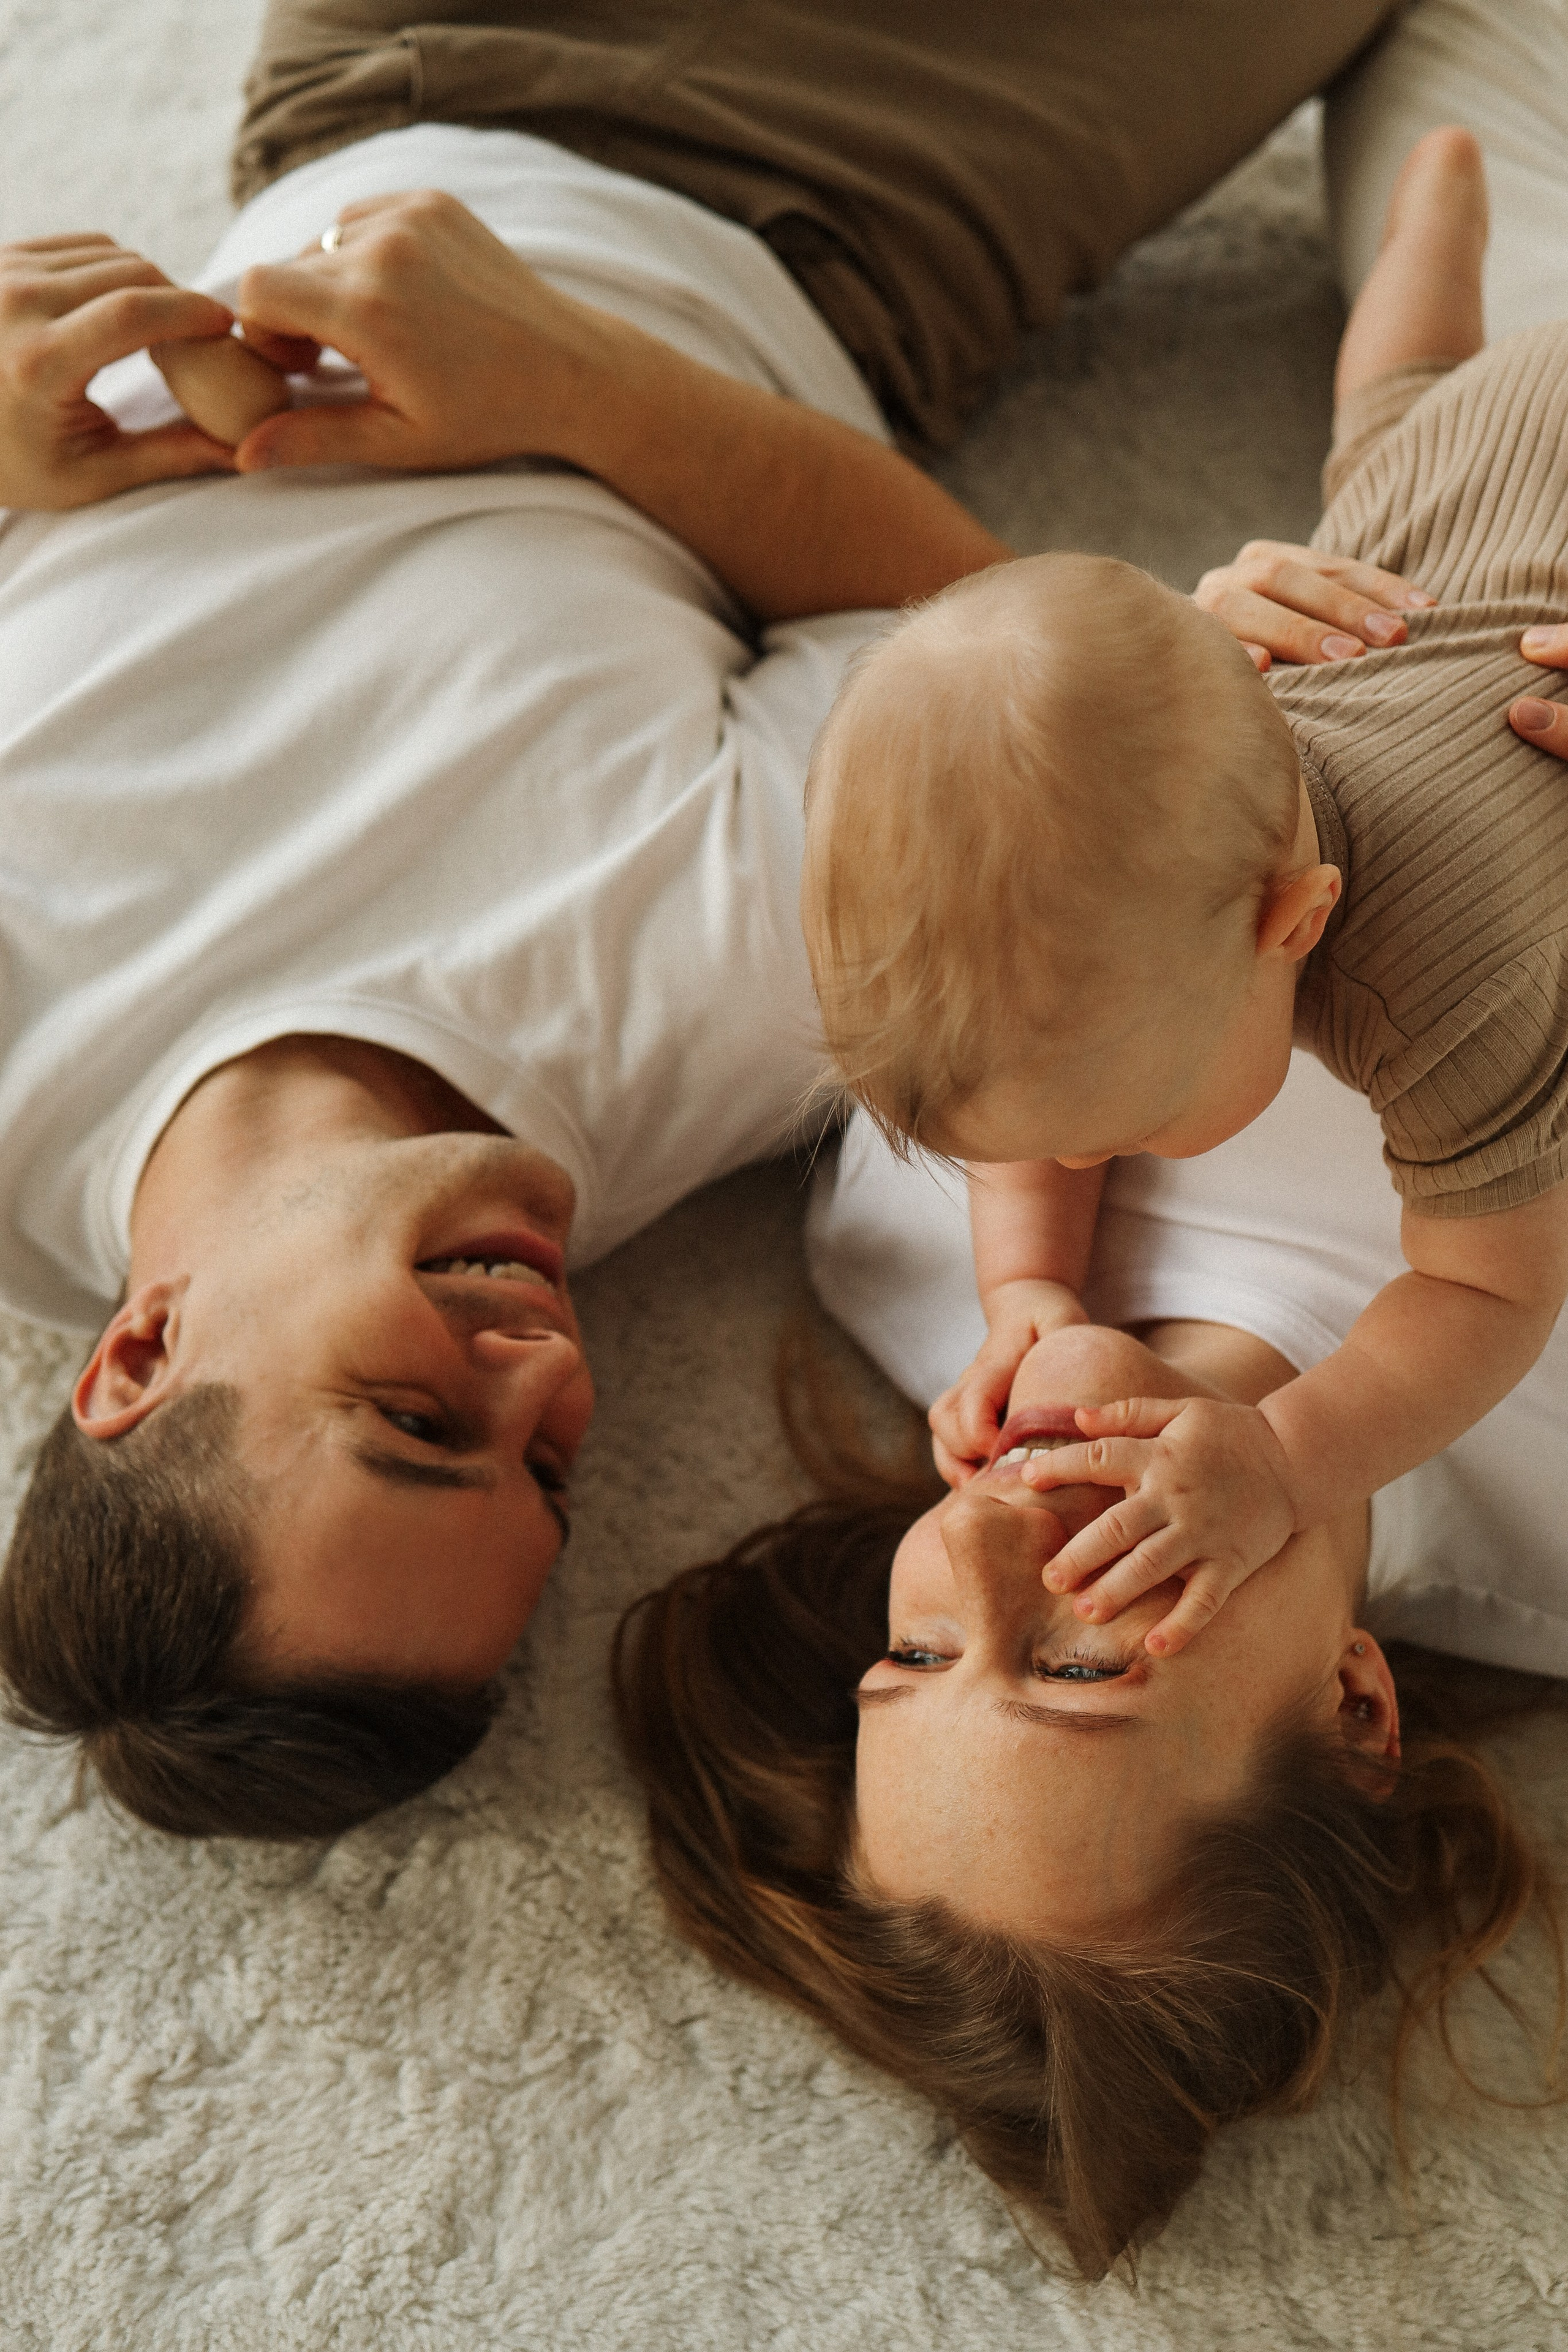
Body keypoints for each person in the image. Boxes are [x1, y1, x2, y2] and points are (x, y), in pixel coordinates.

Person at [0, 4, 1402, 1839]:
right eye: (549, 1468)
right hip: (844, 181)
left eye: (418, 1423)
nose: (549, 1372)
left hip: (393, 83)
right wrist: (569, 380)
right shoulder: (738, 1031)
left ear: (139, 1356)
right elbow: (1002, 654)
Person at [801, 128, 1568, 1658]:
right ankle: (1432, 220)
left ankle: (1440, 223)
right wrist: (1025, 1280)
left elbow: (1485, 1295)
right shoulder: (1207, 735)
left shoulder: (1440, 984)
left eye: (1121, 1130)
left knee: (1384, 463)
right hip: (1471, 473)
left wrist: (1284, 1460)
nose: (1089, 1165)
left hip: (1502, 541)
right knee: (1385, 450)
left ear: (1295, 920)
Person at [614, 1049, 1568, 2281]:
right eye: (1076, 1672)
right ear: (1350, 1709)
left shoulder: (901, 1235)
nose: (972, 1542)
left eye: (915, 1651)